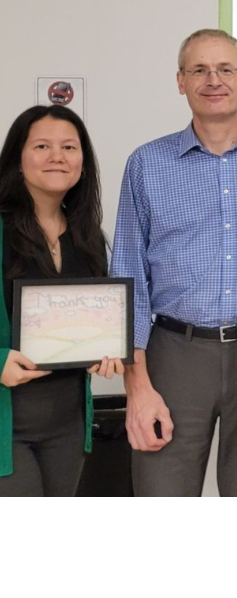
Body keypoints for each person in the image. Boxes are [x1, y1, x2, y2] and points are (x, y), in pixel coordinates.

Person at [111, 29, 237, 496]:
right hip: (173, 355)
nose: (213, 80)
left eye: (225, 69)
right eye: (199, 70)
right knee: (162, 487)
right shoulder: (147, 164)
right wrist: (136, 387)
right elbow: (129, 276)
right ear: (180, 81)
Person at [0, 105, 122, 496]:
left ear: (83, 164)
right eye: (42, 146)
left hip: (68, 426)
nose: (57, 156)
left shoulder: (89, 239)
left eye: (69, 147)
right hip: (8, 425)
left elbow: (96, 322)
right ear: (18, 160)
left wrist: (107, 350)